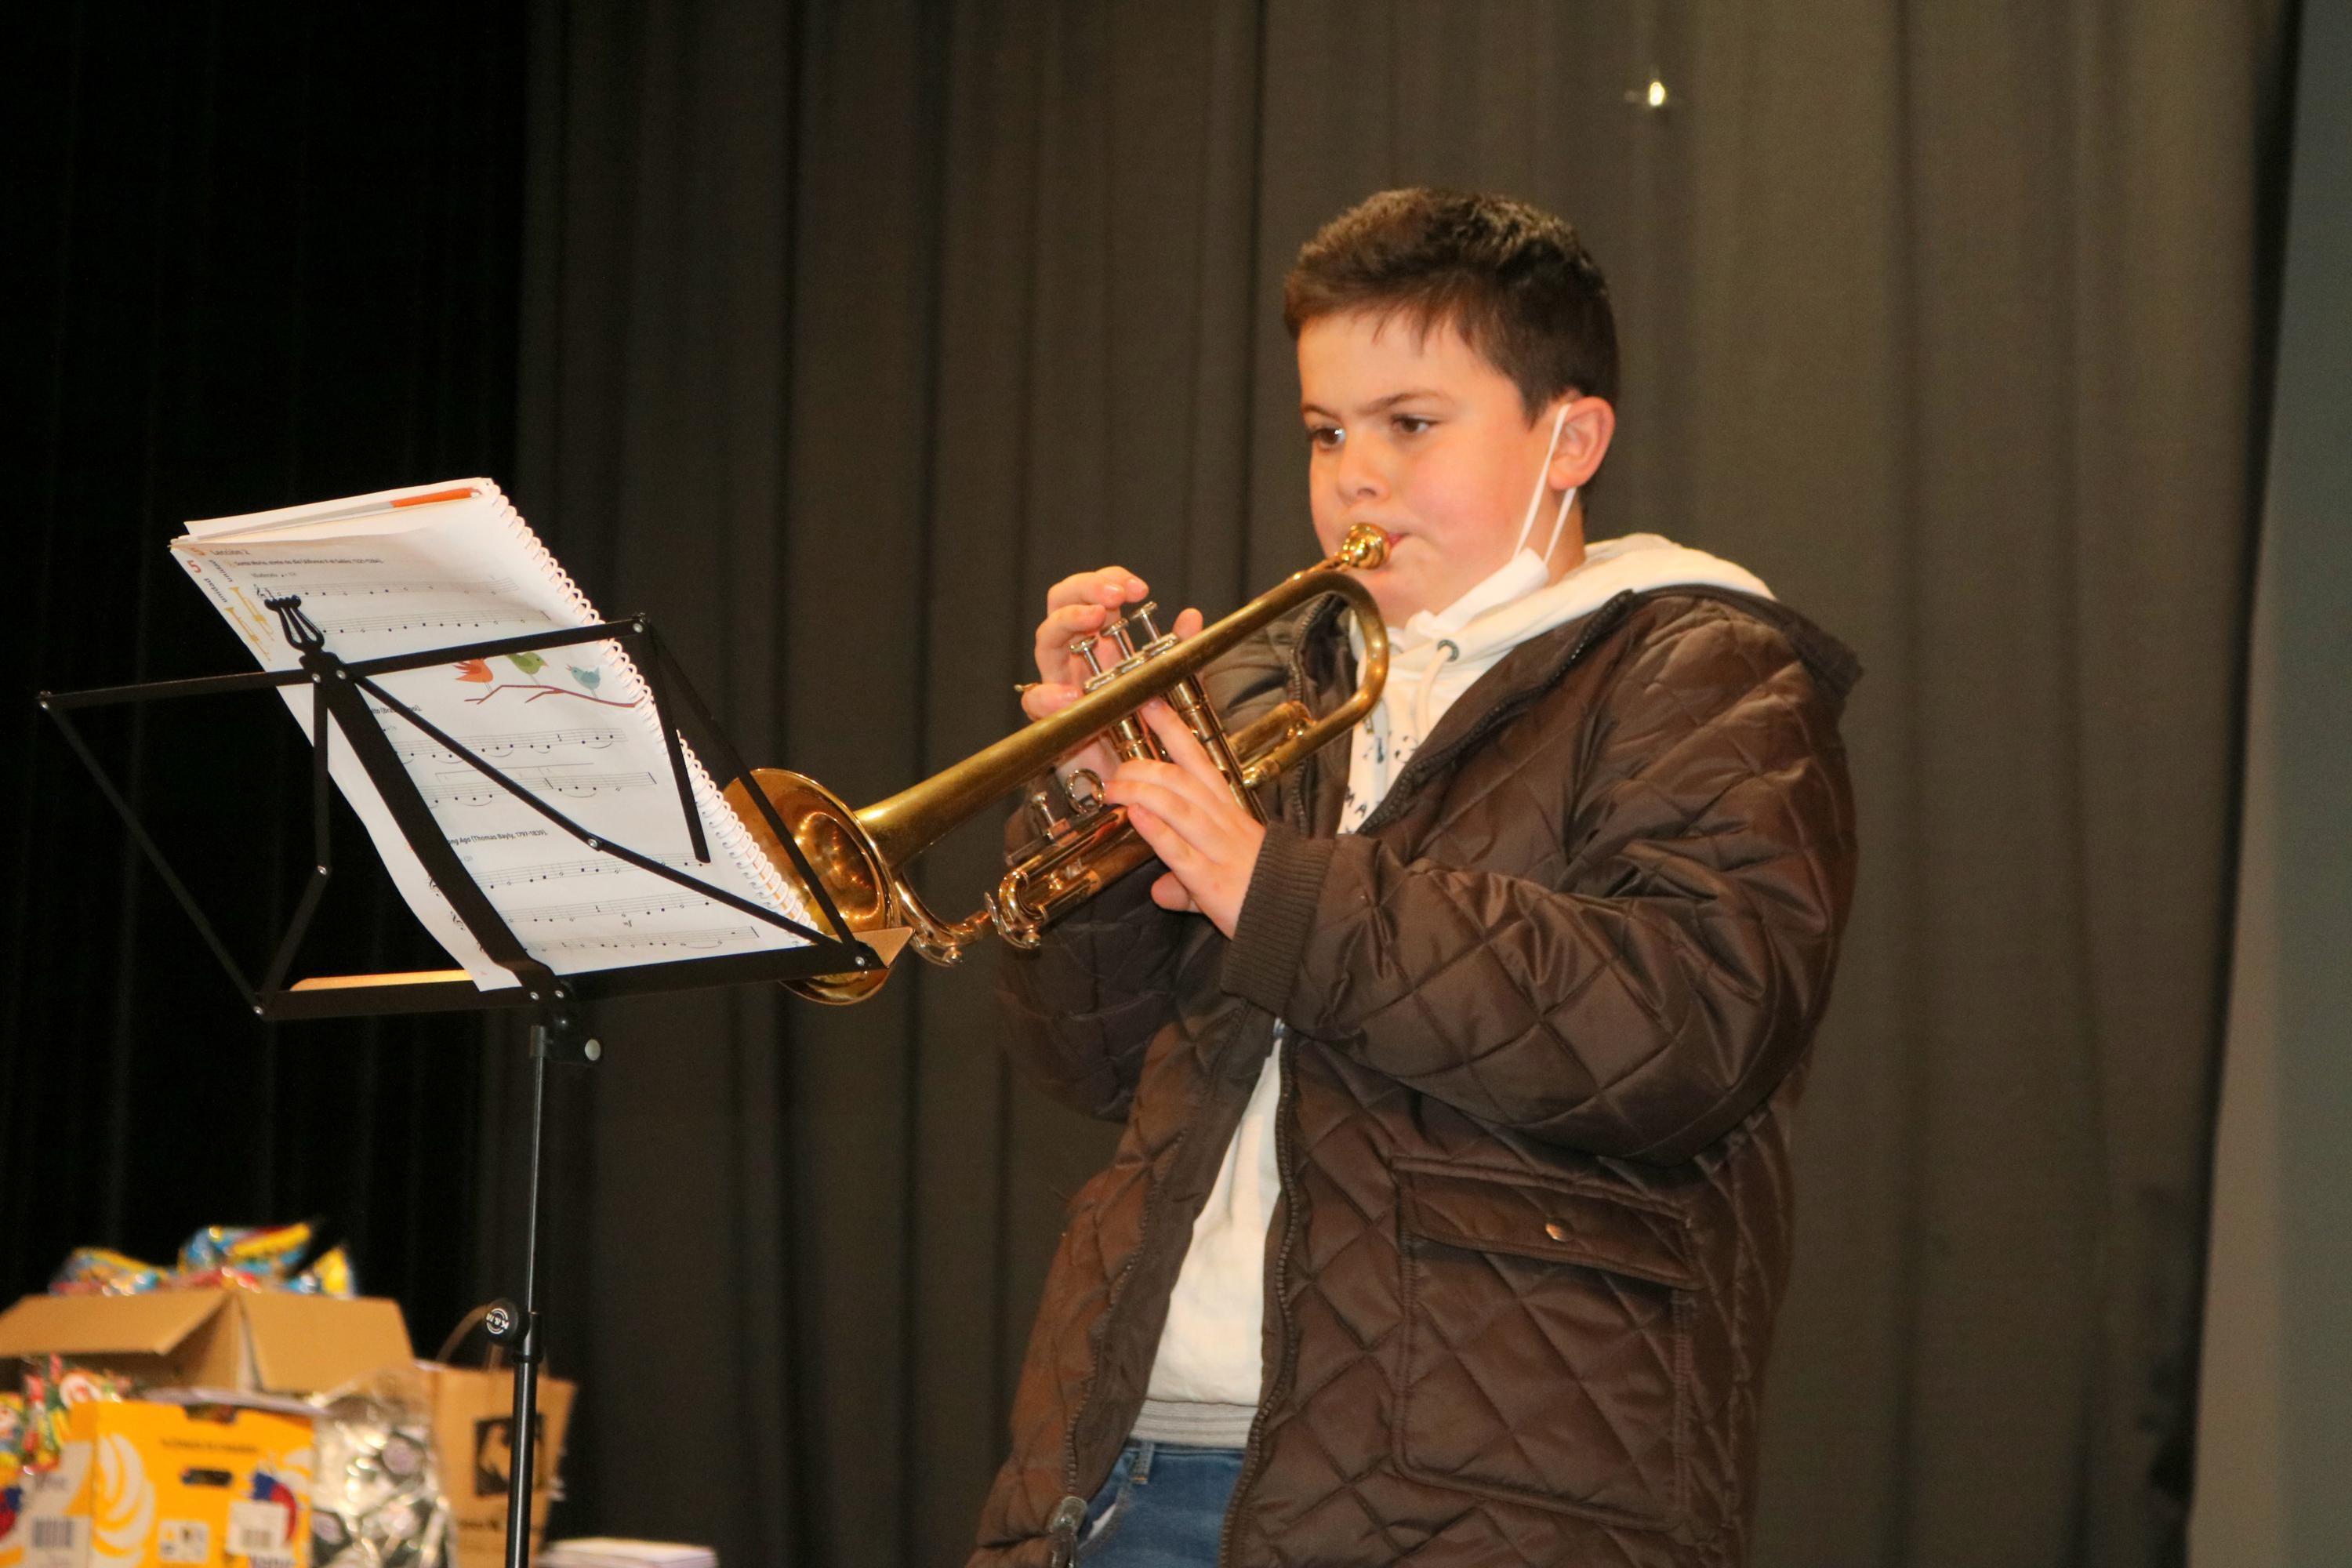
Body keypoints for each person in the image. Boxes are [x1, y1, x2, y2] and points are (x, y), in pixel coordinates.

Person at [970, 188, 1860, 1568]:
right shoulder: (1274, 679)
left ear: (1571, 439)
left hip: (1476, 1495)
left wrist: (1276, 891)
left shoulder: (1705, 669)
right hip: (1129, 1456)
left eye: (1410, 424)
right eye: (1326, 432)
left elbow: (1689, 1025)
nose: (1354, 478)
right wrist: (1095, 801)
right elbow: (1092, 1061)